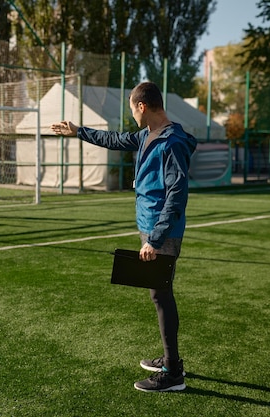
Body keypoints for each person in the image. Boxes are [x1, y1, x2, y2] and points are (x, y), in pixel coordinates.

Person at [51, 81, 197, 393]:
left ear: (142, 106)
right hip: (151, 228)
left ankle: (173, 373)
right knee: (158, 293)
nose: (132, 116)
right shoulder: (147, 136)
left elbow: (177, 195)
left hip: (163, 231)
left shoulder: (171, 142)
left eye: (132, 109)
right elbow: (115, 139)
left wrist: (154, 240)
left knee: (161, 294)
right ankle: (171, 361)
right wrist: (78, 130)